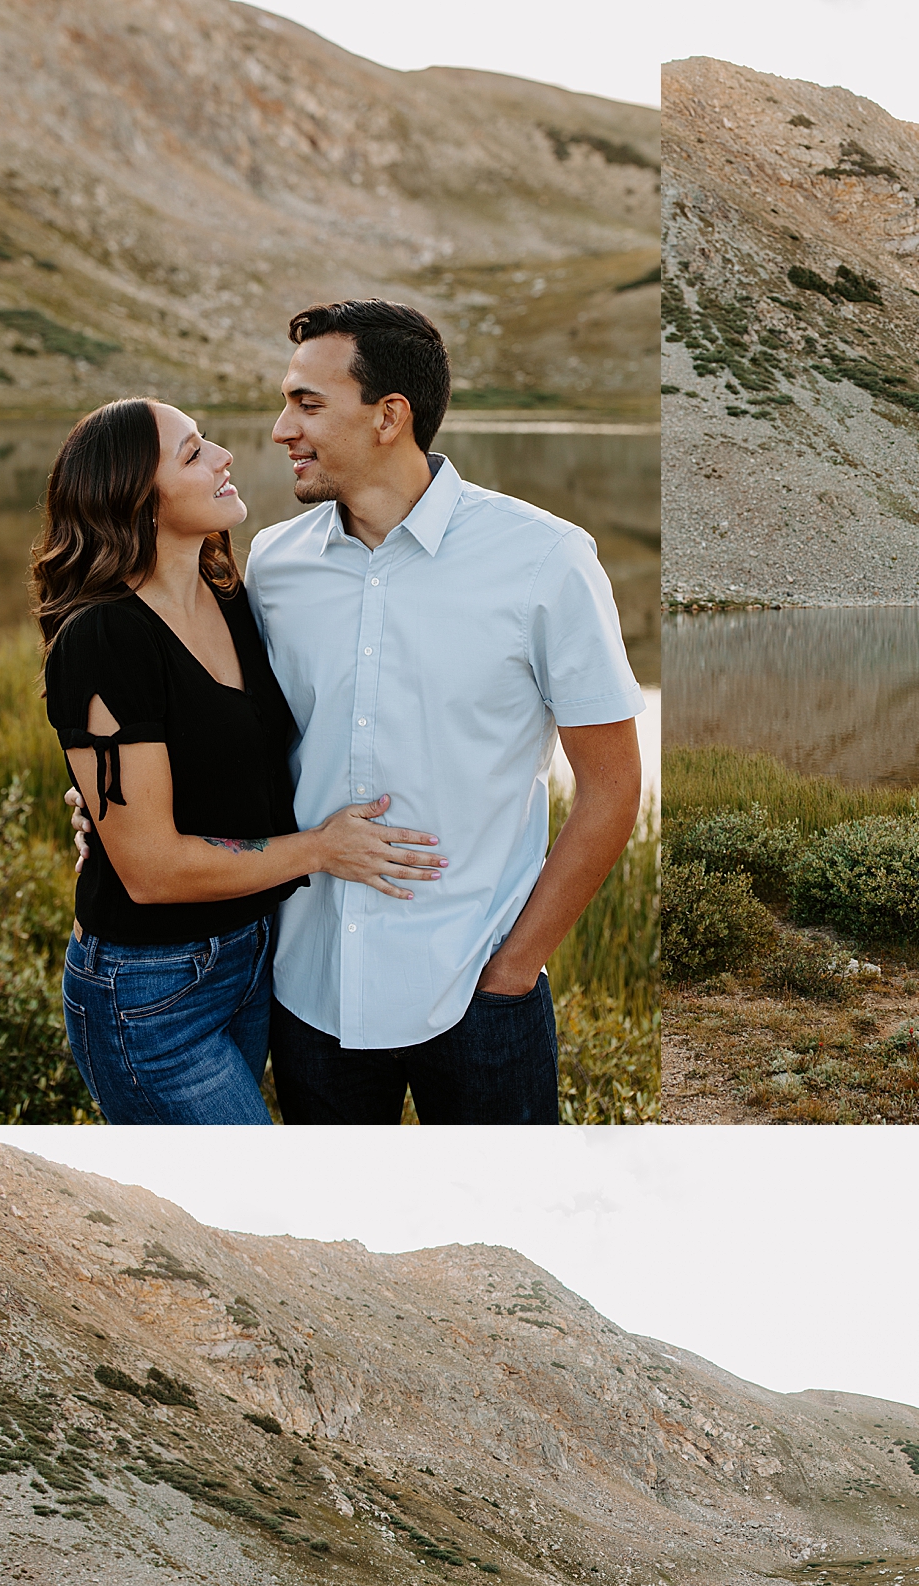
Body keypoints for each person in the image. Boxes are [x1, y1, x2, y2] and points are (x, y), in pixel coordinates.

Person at [245, 298, 646, 1124]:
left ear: (391, 415)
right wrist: (113, 807)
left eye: (307, 404)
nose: (281, 428)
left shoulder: (546, 560)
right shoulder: (272, 565)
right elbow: (239, 739)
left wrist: (515, 968)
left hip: (478, 996)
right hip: (312, 990)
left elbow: (612, 787)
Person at [37, 397, 443, 1125]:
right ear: (137, 499)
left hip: (251, 961)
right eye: (193, 453)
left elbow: (230, 770)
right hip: (149, 991)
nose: (224, 455)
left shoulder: (229, 597)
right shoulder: (102, 638)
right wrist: (321, 849)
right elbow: (153, 871)